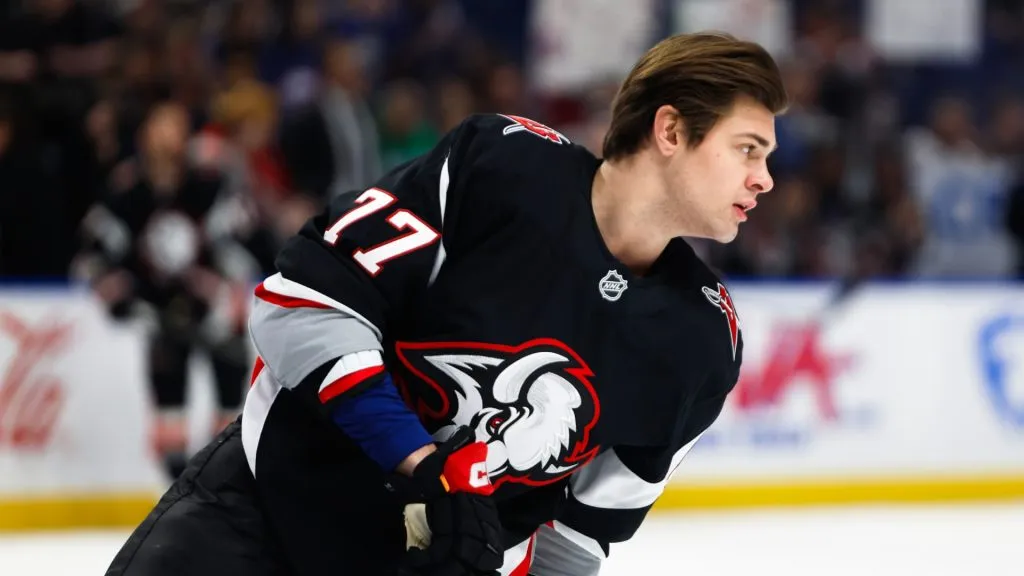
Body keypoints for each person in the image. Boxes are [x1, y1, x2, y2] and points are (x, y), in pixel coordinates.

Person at [106, 32, 787, 576]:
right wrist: (427, 470)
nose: (765, 180)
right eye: (747, 149)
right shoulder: (504, 171)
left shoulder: (701, 342)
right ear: (670, 131)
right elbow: (300, 306)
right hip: (260, 521)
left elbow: (580, 537)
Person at [73, 102, 254, 481]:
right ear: (144, 136)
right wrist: (121, 297)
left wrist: (227, 290)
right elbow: (92, 258)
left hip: (213, 310)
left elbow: (245, 240)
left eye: (176, 128)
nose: (169, 137)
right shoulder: (128, 190)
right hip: (158, 314)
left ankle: (221, 488)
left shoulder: (208, 184)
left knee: (229, 404)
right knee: (170, 410)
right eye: (161, 127)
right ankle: (180, 493)